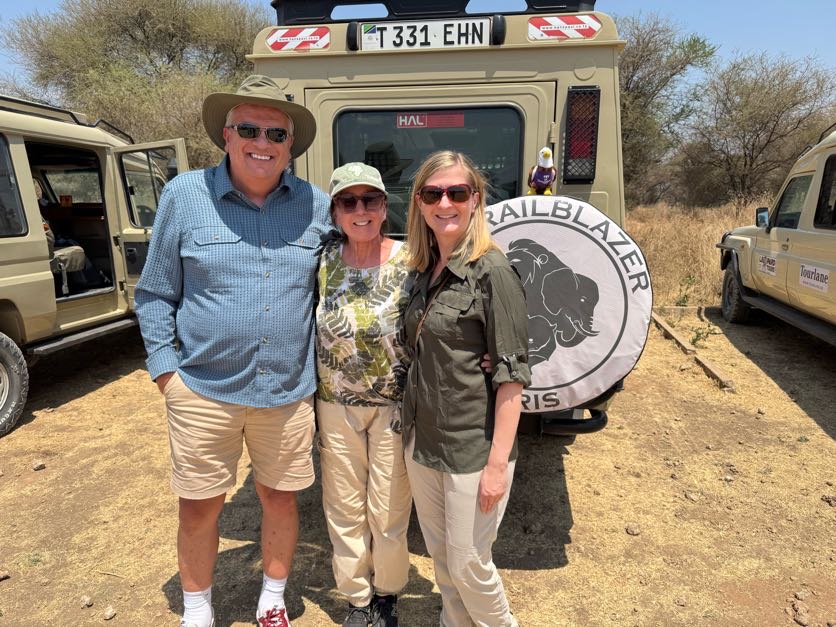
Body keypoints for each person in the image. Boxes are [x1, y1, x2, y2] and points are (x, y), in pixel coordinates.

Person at [134, 74, 330, 627]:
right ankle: (197, 610)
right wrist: (166, 374)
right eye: (249, 129)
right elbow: (153, 293)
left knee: (280, 499)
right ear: (227, 134)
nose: (262, 142)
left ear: (291, 144)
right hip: (203, 391)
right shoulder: (183, 195)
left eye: (276, 133)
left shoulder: (316, 206)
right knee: (199, 507)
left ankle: (272, 598)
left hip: (286, 393)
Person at [401, 150, 531, 626]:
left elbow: (513, 376)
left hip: (471, 448)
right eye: (433, 193)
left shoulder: (493, 271)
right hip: (423, 439)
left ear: (475, 199)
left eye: (457, 192)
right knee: (442, 560)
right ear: (419, 202)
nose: (445, 203)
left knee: (471, 564)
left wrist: (498, 464)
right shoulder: (423, 268)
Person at [315, 162, 414, 626]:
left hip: (393, 406)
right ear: (334, 210)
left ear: (383, 207)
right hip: (335, 406)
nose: (360, 210)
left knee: (389, 508)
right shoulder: (321, 262)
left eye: (369, 200)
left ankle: (387, 594)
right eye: (347, 201)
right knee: (343, 507)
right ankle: (357, 599)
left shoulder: (410, 261)